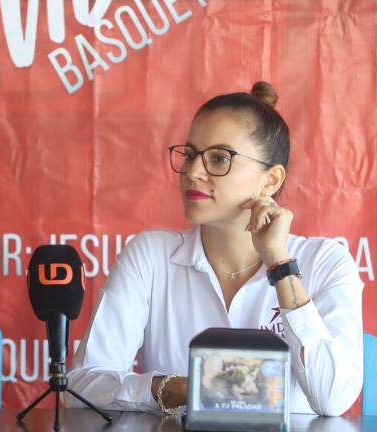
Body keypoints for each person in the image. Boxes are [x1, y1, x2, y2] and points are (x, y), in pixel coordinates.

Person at [67, 82, 363, 416]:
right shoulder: (150, 256)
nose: (193, 172)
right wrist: (183, 388)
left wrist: (279, 264)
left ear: (271, 180)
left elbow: (333, 398)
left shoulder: (325, 262)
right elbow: (81, 386)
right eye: (190, 155)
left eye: (219, 159)